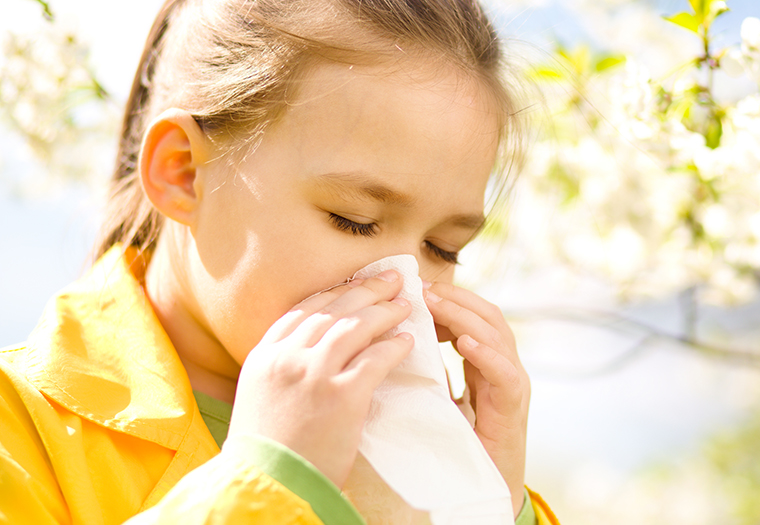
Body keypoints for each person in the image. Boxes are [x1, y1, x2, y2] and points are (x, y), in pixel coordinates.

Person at [0, 0, 559, 523]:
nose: (402, 283)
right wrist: (268, 479)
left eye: (443, 249)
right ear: (183, 173)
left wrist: (490, 501)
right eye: (354, 219)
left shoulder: (413, 444)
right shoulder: (17, 429)